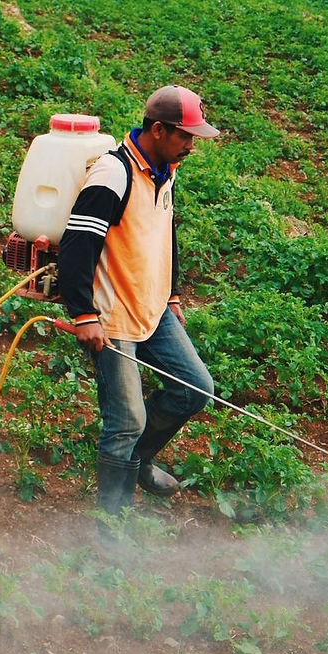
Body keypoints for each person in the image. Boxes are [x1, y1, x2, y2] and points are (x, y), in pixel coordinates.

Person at [57, 85, 218, 517]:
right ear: (160, 130)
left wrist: (172, 292)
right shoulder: (113, 175)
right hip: (113, 316)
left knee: (195, 388)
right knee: (126, 420)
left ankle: (137, 461)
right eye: (186, 136)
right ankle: (113, 521)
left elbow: (164, 231)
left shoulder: (164, 169)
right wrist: (84, 313)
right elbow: (76, 247)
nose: (191, 146)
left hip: (153, 307)